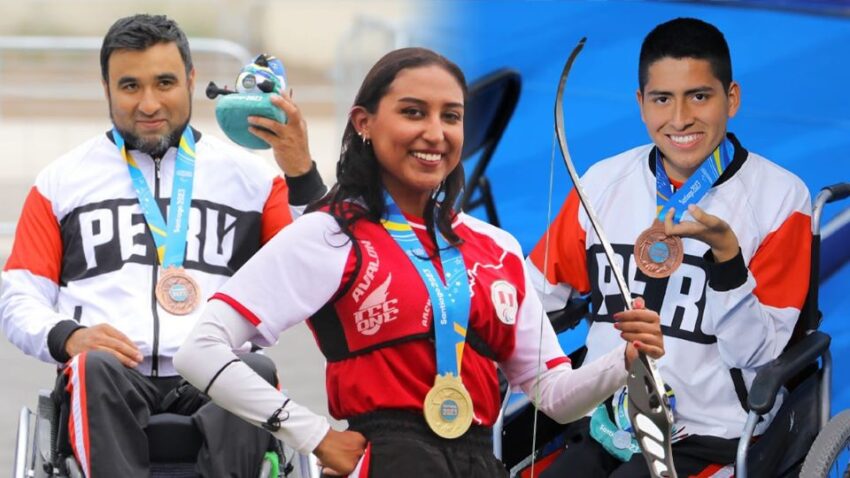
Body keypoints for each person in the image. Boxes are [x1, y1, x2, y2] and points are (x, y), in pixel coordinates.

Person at [173, 46, 665, 478]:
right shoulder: (330, 233)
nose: (435, 133)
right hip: (388, 457)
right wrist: (314, 436)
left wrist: (621, 363)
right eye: (413, 112)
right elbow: (200, 350)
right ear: (363, 122)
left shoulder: (497, 247)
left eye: (450, 116)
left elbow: (553, 394)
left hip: (479, 461)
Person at [0, 14, 326, 477]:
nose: (148, 103)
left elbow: (321, 267)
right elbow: (19, 296)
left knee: (255, 369)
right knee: (91, 367)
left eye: (165, 82)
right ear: (106, 89)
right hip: (111, 373)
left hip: (218, 365)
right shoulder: (60, 183)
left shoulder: (254, 180)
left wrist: (300, 171)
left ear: (191, 81)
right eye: (130, 86)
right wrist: (67, 337)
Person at [529, 18, 812, 477]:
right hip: (609, 421)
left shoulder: (781, 199)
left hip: (711, 434)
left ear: (732, 99)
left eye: (699, 96)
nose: (680, 119)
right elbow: (534, 296)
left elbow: (758, 359)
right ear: (641, 104)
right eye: (663, 99)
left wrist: (727, 261)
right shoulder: (602, 183)